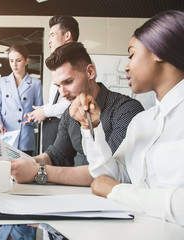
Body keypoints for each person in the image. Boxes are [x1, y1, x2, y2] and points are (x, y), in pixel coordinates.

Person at [70, 10, 184, 226]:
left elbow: (112, 187)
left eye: (132, 55)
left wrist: (117, 192)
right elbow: (109, 177)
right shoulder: (142, 122)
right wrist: (91, 127)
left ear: (158, 51)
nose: (126, 66)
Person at [11, 42, 144, 186]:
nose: (63, 93)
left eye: (68, 82)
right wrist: (20, 163)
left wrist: (39, 171)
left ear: (90, 72)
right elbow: (55, 155)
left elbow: (107, 172)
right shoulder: (69, 113)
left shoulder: (127, 110)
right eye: (58, 86)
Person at [24, 15, 78, 152]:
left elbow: (74, 102)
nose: (49, 41)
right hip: (52, 128)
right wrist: (38, 112)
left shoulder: (78, 63)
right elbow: (57, 102)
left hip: (66, 127)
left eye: (52, 35)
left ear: (67, 35)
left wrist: (45, 111)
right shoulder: (58, 65)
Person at [0, 44, 43, 156]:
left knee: (23, 171)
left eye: (18, 60)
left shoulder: (35, 84)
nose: (14, 65)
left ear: (26, 61)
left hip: (24, 137)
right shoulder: (2, 82)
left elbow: (39, 110)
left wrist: (32, 118)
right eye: (11, 60)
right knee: (2, 171)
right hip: (4, 133)